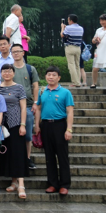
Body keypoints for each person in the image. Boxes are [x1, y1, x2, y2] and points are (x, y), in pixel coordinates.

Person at [34, 66, 75, 195]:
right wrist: (37, 125)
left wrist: (69, 129)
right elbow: (39, 108)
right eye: (48, 75)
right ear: (45, 77)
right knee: (49, 156)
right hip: (46, 126)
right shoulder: (43, 91)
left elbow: (70, 111)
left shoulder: (65, 92)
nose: (50, 77)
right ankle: (52, 184)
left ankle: (64, 184)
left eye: (53, 75)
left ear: (59, 77)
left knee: (62, 156)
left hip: (60, 125)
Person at [0, 64, 29, 199]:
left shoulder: (19, 87)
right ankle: (13, 181)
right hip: (2, 124)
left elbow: (23, 107)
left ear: (13, 73)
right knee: (8, 152)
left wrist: (22, 124)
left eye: (9, 71)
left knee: (18, 152)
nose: (7, 73)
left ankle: (21, 184)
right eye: (4, 71)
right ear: (1, 73)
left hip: (16, 123)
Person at [11, 43, 40, 170]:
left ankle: (27, 158)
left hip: (27, 105)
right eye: (14, 52)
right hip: (12, 106)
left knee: (27, 135)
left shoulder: (30, 69)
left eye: (18, 51)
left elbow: (35, 85)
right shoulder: (8, 68)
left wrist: (35, 102)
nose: (16, 53)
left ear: (23, 53)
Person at [61, 14, 84, 87]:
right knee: (77, 65)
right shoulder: (81, 28)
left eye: (68, 20)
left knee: (71, 65)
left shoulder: (68, 28)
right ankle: (78, 81)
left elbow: (62, 35)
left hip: (70, 47)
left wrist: (62, 28)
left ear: (71, 20)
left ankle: (76, 82)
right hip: (78, 48)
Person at [91, 14, 106, 88]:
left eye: (103, 20)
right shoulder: (98, 30)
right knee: (95, 68)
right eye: (100, 21)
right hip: (99, 50)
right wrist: (95, 40)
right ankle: (94, 83)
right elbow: (93, 40)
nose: (101, 22)